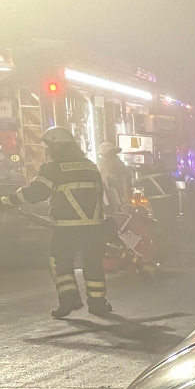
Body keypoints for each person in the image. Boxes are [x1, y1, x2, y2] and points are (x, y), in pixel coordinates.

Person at [0, 126, 111, 317]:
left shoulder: (53, 168)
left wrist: (8, 200)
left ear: (58, 146)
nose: (47, 150)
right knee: (93, 264)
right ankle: (98, 303)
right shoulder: (91, 166)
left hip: (67, 227)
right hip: (95, 226)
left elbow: (36, 193)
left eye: (48, 146)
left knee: (60, 263)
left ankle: (68, 300)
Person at [97, 143, 133, 211]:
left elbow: (125, 183)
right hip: (108, 200)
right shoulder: (101, 168)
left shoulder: (119, 167)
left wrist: (126, 199)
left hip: (121, 200)